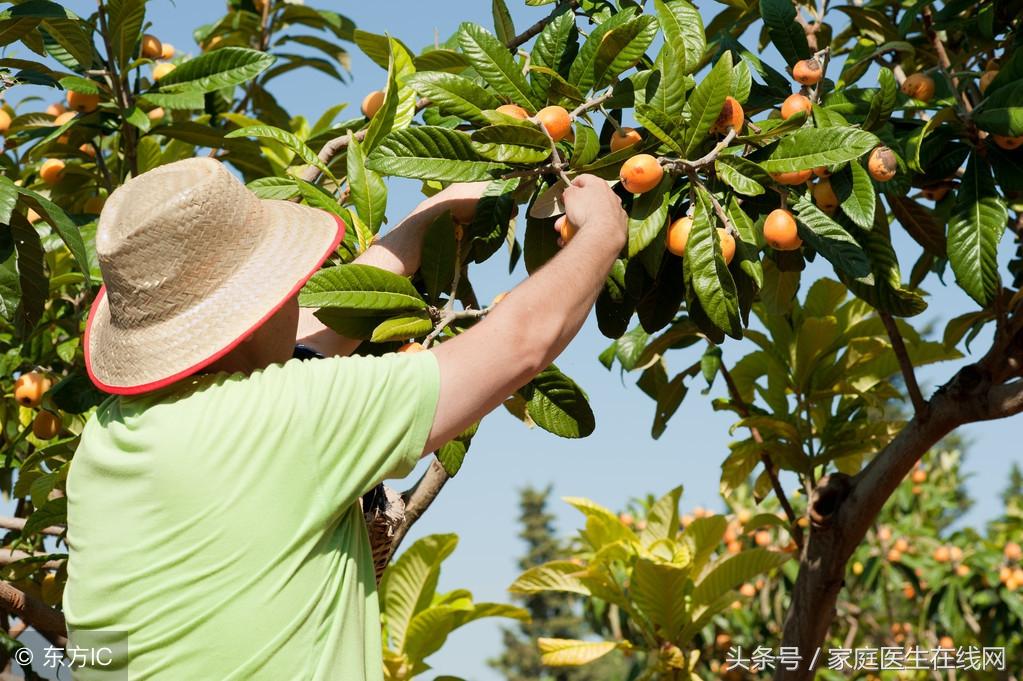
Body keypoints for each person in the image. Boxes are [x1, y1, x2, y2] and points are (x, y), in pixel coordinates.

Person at [65, 157, 626, 680]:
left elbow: (305, 336)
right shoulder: (290, 418)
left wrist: (429, 214)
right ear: (257, 308)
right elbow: (520, 342)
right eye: (284, 284)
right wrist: (602, 232)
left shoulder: (106, 438)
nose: (296, 296)